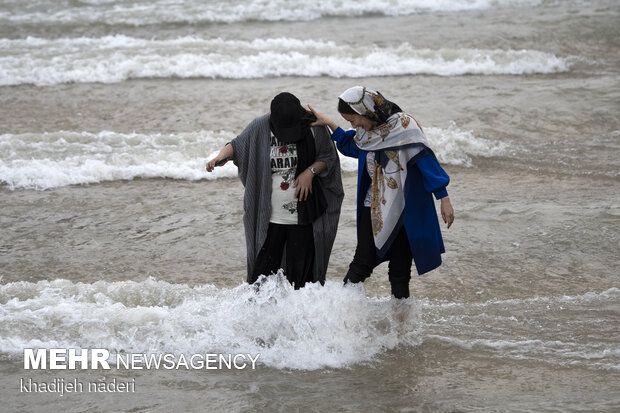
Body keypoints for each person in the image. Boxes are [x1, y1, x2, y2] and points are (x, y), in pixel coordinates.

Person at [309, 86, 454, 299]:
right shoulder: (366, 134)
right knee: (362, 262)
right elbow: (351, 146)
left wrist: (444, 199)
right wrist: (330, 123)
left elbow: (427, 163)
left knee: (400, 271)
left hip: (404, 208)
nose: (354, 125)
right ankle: (340, 312)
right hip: (373, 206)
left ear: (367, 109)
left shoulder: (404, 127)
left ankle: (400, 327)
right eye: (349, 122)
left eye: (354, 120)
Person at [206, 92, 344, 289]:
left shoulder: (314, 127)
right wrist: (219, 157)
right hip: (270, 218)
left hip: (305, 217)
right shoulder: (261, 126)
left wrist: (310, 172)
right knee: (260, 282)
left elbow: (328, 157)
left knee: (302, 283)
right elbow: (237, 145)